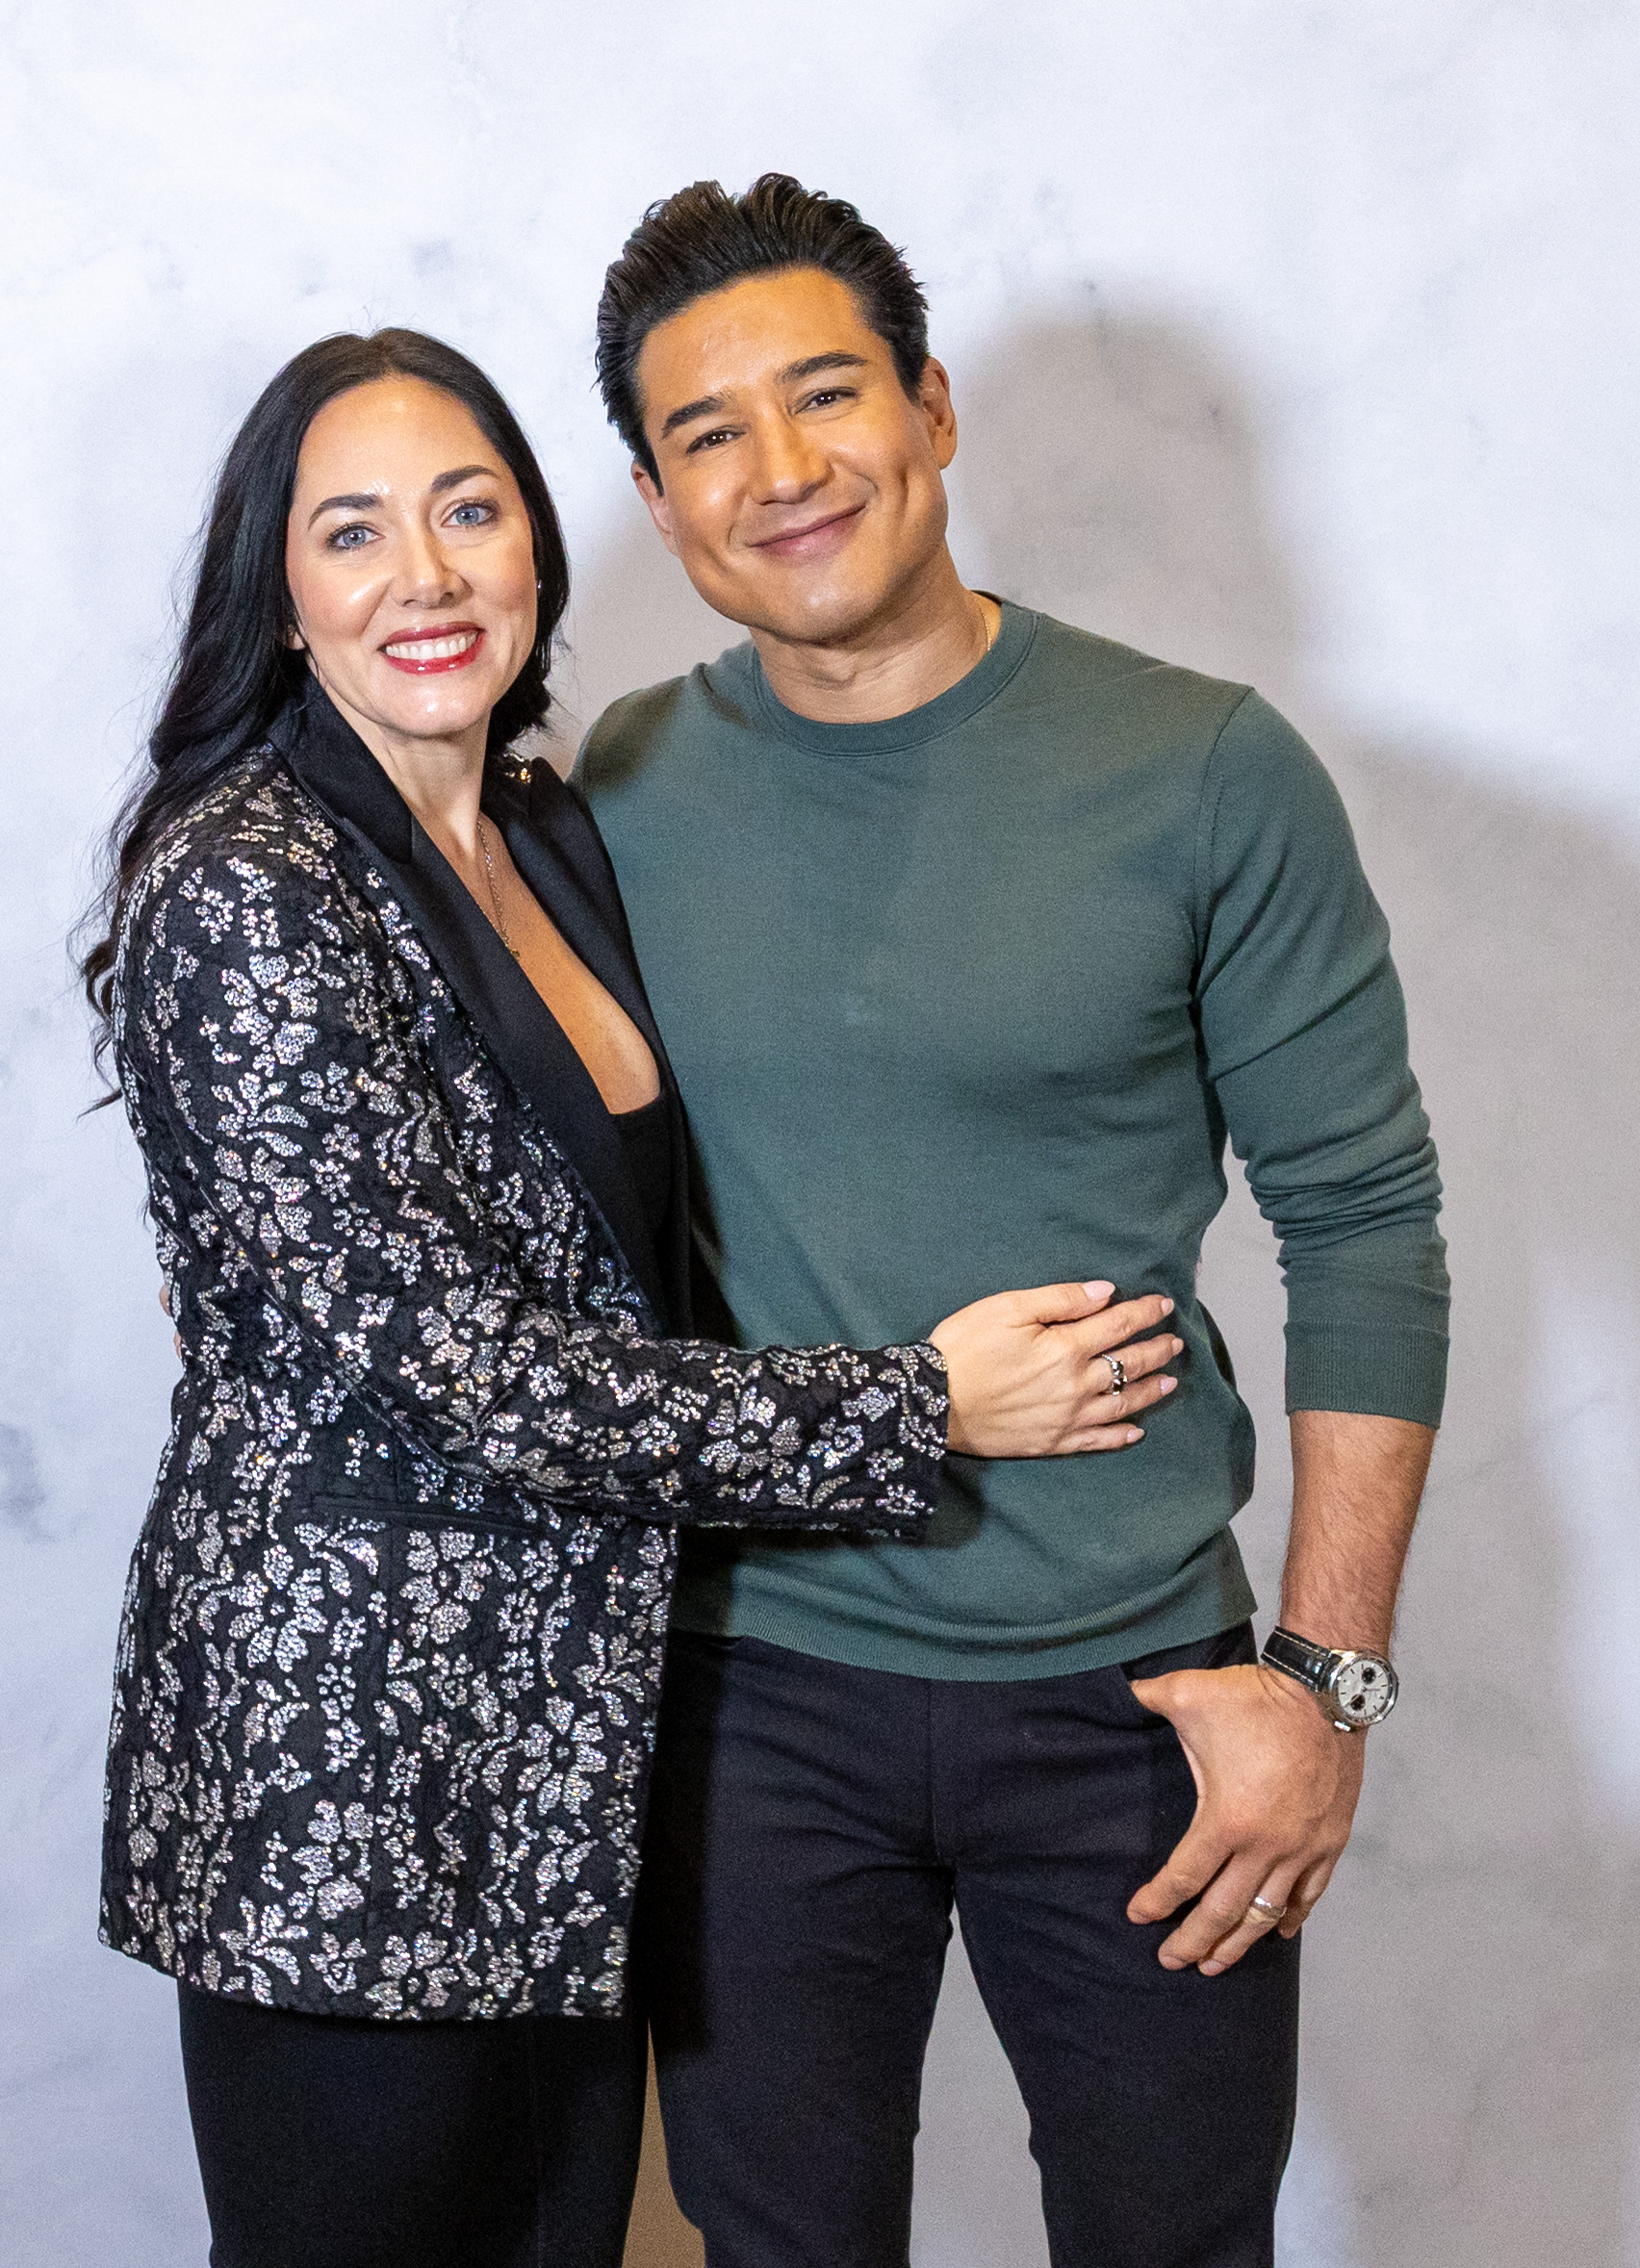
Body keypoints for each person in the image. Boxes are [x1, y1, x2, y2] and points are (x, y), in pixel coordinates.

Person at [78, 327, 1194, 2268]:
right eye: (353, 531)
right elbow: (464, 1370)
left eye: (467, 509)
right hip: (354, 1778)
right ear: (280, 586)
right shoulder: (248, 883)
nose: (425, 574)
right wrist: (921, 1406)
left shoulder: (545, 830)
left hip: (574, 1776)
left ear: (538, 541)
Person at [577, 177, 1450, 2268]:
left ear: (932, 409)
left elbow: (1364, 1227)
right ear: (659, 502)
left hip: (1137, 1702)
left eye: (825, 395)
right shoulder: (622, 784)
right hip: (753, 1698)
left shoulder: (1205, 771)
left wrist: (1322, 1687)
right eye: (708, 434)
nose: (782, 469)